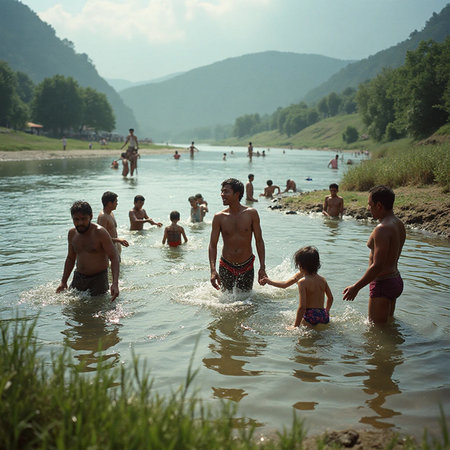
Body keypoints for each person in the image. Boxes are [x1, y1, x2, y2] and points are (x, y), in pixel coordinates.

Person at [343, 185, 406, 324]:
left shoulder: (382, 229)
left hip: (383, 283)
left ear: (379, 205)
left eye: (370, 205)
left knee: (376, 332)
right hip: (395, 280)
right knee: (388, 325)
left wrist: (356, 287)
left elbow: (377, 265)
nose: (368, 208)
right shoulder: (398, 224)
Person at [209, 178, 267, 292]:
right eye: (222, 191)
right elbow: (212, 245)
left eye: (226, 191)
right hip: (226, 265)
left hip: (247, 265)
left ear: (237, 194)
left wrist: (262, 267)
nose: (222, 194)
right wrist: (212, 270)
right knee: (225, 302)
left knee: (247, 301)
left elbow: (259, 241)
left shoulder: (251, 214)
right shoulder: (219, 217)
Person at [56, 201, 119, 301]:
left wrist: (115, 283)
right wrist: (63, 282)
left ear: (91, 216)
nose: (80, 223)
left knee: (98, 310)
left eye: (83, 219)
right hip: (79, 277)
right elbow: (71, 258)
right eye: (76, 219)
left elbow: (114, 257)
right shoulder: (72, 233)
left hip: (99, 279)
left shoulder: (100, 232)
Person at [261, 246, 333, 328]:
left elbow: (302, 307)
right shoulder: (323, 280)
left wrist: (295, 326)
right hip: (323, 316)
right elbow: (330, 298)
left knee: (294, 330)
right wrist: (326, 311)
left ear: (301, 266)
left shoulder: (302, 282)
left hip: (310, 316)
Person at [97, 191, 129, 261]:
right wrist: (118, 240)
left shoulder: (111, 213)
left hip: (114, 246)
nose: (117, 203)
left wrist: (118, 242)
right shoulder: (103, 217)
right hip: (108, 250)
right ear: (109, 203)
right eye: (116, 201)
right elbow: (101, 239)